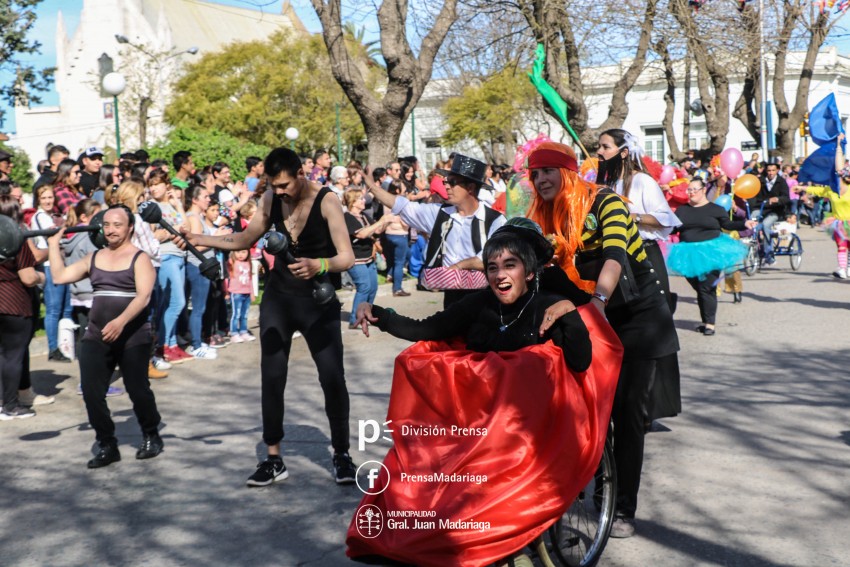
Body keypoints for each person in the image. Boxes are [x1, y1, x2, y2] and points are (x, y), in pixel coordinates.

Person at [347, 218, 623, 565]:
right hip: (477, 423)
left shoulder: (549, 304)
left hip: (525, 435)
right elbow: (428, 329)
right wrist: (379, 315)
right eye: (492, 267)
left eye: (510, 265)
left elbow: (581, 362)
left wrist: (570, 314)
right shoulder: (480, 304)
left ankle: (500, 540)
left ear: (530, 271)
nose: (499, 274)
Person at [526, 141, 680, 538]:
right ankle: (587, 483)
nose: (540, 179)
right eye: (534, 173)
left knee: (627, 415)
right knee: (583, 410)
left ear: (568, 172)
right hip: (589, 316)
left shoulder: (605, 202)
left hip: (637, 317)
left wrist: (596, 302)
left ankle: (622, 507)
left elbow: (614, 255)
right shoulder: (541, 216)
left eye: (548, 171)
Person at [183, 147, 356, 486]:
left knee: (332, 377)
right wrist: (200, 238)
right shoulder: (270, 200)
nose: (278, 192)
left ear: (300, 176)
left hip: (318, 300)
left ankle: (341, 453)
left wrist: (319, 265)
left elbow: (347, 257)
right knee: (272, 377)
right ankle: (273, 458)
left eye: (284, 185)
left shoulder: (327, 200)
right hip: (279, 298)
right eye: (273, 186)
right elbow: (245, 238)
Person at [47, 205, 163, 467]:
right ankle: (107, 443)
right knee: (91, 391)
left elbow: (143, 297)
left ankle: (151, 433)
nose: (110, 229)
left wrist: (121, 322)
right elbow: (59, 275)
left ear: (130, 227)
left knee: (138, 390)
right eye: (107, 224)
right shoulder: (94, 257)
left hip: (133, 334)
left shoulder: (140, 258)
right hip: (97, 333)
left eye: (117, 224)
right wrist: (54, 245)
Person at [368, 154, 507, 307]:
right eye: (446, 181)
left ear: (471, 188)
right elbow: (403, 206)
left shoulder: (495, 220)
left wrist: (458, 266)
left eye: (452, 182)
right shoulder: (440, 213)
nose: (446, 186)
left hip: (484, 294)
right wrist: (372, 187)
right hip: (452, 295)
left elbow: (490, 258)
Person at [667, 179, 756, 335]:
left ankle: (710, 324)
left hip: (711, 252)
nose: (691, 192)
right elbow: (672, 229)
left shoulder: (715, 209)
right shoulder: (682, 210)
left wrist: (744, 224)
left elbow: (727, 225)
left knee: (706, 288)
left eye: (694, 189)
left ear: (703, 190)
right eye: (689, 190)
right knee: (700, 288)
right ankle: (706, 320)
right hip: (688, 254)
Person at [0, 196, 46, 419]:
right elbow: (27, 277)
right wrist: (41, 277)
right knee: (13, 355)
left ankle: (3, 401)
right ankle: (9, 405)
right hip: (14, 301)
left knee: (3, 354)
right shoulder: (15, 239)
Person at [149, 170, 191, 363]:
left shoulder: (171, 206)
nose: (153, 188)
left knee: (171, 303)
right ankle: (163, 345)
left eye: (156, 184)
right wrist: (170, 233)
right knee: (177, 303)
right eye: (150, 185)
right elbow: (153, 235)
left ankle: (172, 343)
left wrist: (179, 205)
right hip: (165, 257)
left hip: (179, 256)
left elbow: (187, 228)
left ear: (166, 185)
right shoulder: (152, 206)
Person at [799, 133, 850, 279]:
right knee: (841, 245)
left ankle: (849, 267)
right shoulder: (832, 190)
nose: (842, 177)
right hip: (839, 222)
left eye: (845, 176)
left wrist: (840, 145)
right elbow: (818, 190)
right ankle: (842, 268)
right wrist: (802, 188)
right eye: (840, 176)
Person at [182, 185, 222, 360]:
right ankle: (196, 345)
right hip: (197, 267)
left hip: (201, 267)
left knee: (201, 307)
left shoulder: (197, 217)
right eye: (205, 196)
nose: (208, 199)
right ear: (195, 199)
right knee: (198, 308)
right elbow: (195, 246)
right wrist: (217, 238)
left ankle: (198, 341)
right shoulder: (194, 218)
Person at [343, 189, 387, 328]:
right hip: (356, 259)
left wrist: (388, 219)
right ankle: (354, 320)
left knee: (373, 287)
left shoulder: (363, 216)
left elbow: (377, 230)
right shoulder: (347, 217)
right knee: (364, 287)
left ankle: (366, 315)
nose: (364, 201)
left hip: (369, 257)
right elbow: (361, 234)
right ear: (353, 202)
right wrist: (381, 221)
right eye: (360, 199)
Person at [751, 162, 790, 266]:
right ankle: (755, 248)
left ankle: (769, 253)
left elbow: (786, 198)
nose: (771, 173)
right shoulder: (761, 181)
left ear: (777, 170)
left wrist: (777, 199)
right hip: (762, 208)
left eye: (773, 170)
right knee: (752, 221)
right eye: (769, 170)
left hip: (776, 211)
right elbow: (754, 195)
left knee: (765, 224)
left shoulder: (781, 182)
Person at [227, 248, 255, 342]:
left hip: (246, 293)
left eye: (244, 252)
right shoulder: (232, 262)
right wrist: (226, 291)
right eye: (238, 251)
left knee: (245, 315)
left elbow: (250, 279)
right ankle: (234, 333)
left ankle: (243, 331)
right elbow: (228, 277)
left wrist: (252, 293)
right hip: (236, 293)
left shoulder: (248, 263)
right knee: (236, 314)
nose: (241, 254)